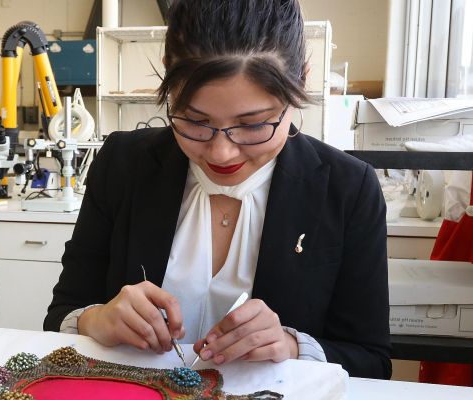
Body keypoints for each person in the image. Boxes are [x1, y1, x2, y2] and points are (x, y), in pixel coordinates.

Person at [44, 0, 391, 379]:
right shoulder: (124, 163)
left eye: (254, 125)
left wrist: (292, 346)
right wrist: (96, 320)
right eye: (194, 121)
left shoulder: (347, 188)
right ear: (168, 81)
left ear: (301, 82)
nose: (221, 152)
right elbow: (61, 315)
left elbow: (372, 361)